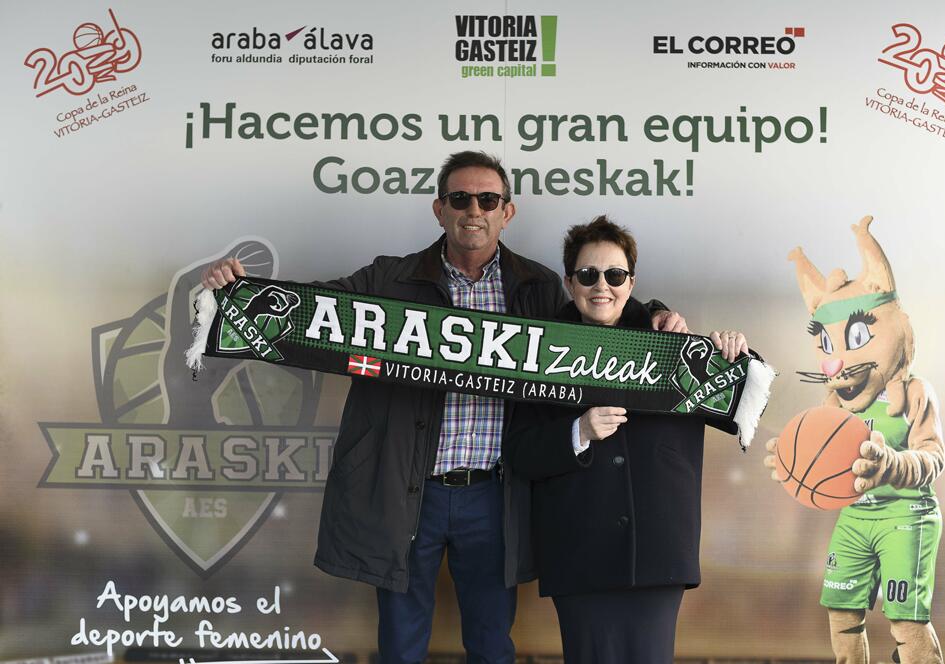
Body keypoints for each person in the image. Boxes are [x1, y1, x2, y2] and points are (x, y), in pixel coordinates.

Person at [199, 152, 688, 664]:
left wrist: (656, 314)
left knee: (491, 645)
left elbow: (603, 312)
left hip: (496, 495)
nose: (473, 210)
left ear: (507, 212)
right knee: (401, 645)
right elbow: (315, 313)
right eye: (460, 198)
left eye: (487, 199)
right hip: (408, 494)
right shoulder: (390, 279)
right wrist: (237, 294)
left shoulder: (542, 288)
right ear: (439, 209)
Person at [504, 216, 749, 664]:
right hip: (579, 556)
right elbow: (519, 453)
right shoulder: (540, 353)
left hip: (656, 556)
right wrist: (578, 432)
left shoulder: (675, 344)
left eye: (614, 275)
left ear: (631, 281)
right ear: (569, 282)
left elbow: (745, 407)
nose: (602, 286)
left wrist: (734, 353)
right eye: (588, 274)